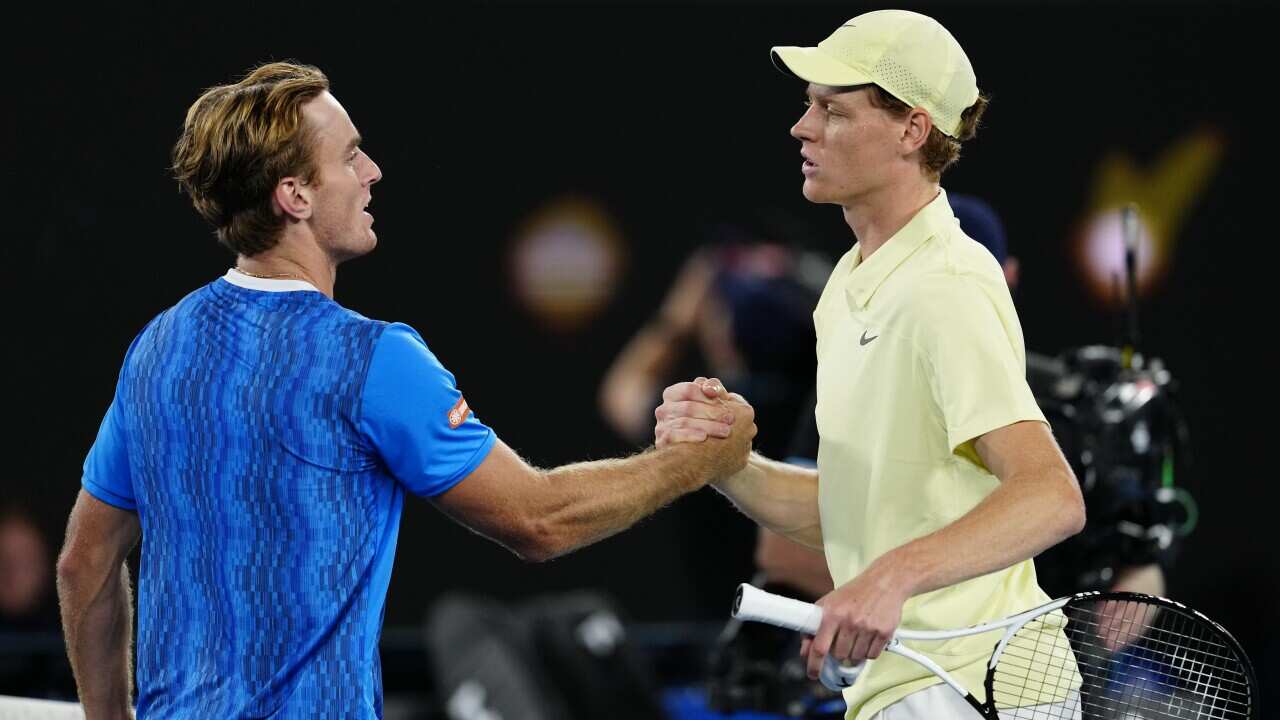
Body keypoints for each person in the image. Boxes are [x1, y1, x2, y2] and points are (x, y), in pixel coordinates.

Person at [54, 62, 755, 720]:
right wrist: (696, 462)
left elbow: (84, 563)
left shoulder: (158, 347)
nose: (372, 172)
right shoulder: (371, 358)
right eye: (350, 156)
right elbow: (540, 521)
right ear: (294, 195)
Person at [654, 10, 1086, 720]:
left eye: (833, 110)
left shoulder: (946, 283)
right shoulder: (850, 287)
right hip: (912, 686)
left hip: (978, 682)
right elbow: (855, 517)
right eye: (807, 105)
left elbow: (1051, 496)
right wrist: (728, 463)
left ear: (912, 131)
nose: (803, 127)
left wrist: (889, 578)